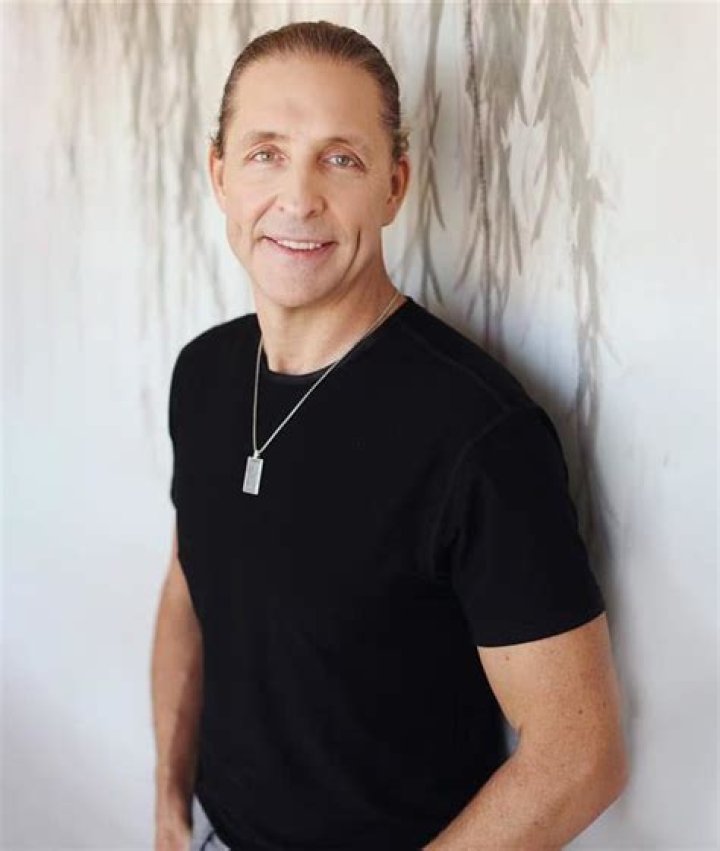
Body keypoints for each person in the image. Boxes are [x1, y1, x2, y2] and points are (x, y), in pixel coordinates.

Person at [151, 20, 628, 851]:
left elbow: (580, 756)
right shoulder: (204, 374)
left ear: (394, 186)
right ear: (220, 174)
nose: (298, 198)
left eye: (341, 158)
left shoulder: (480, 433)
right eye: (266, 153)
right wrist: (168, 807)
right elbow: (189, 589)